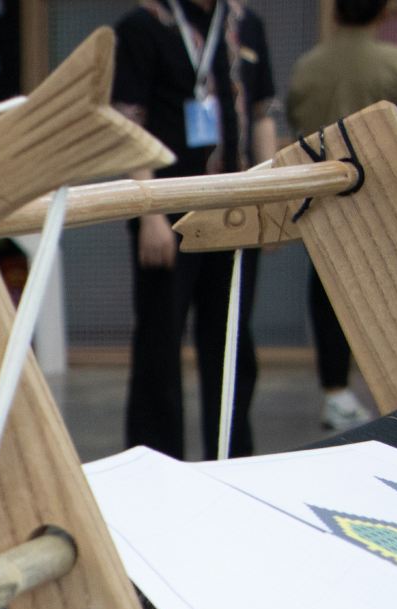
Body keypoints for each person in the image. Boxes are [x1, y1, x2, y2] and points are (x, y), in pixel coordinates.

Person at [113, 0, 278, 459]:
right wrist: (149, 213)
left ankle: (232, 458)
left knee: (231, 346)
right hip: (169, 214)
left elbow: (262, 115)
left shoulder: (245, 23)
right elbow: (128, 125)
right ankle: (152, 464)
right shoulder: (143, 26)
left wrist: (268, 198)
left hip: (234, 213)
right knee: (159, 349)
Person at [287, 0, 397, 430]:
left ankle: (336, 394)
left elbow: (297, 124)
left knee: (327, 294)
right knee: (395, 297)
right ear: (383, 13)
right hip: (386, 200)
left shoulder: (307, 66)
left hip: (321, 199)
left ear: (334, 14)